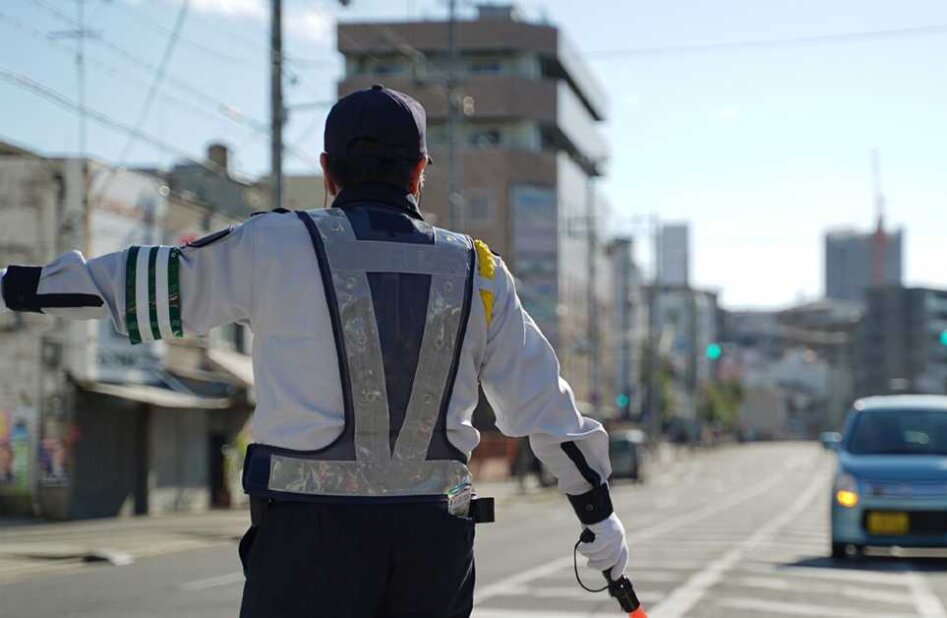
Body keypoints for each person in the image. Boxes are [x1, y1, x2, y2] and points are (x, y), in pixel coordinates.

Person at [0, 85, 629, 617]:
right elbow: (547, 408)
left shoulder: (274, 246)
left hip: (305, 546)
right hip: (432, 547)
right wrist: (597, 516)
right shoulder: (479, 271)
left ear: (328, 171)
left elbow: (139, 283)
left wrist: (18, 286)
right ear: (420, 170)